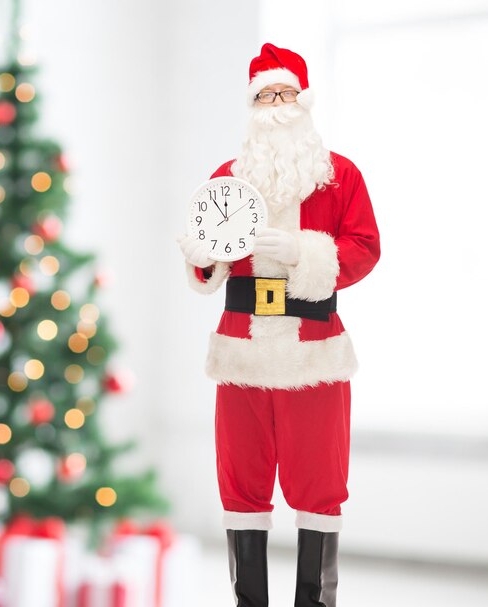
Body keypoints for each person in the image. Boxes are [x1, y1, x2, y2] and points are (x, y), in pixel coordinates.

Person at [178, 43, 380, 607]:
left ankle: (314, 601)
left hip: (315, 352)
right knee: (240, 484)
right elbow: (206, 261)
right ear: (253, 107)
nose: (276, 104)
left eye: (285, 93)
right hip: (241, 351)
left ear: (304, 102)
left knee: (319, 486)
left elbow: (365, 248)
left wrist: (299, 251)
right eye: (265, 95)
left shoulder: (340, 176)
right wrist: (199, 252)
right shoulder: (226, 179)